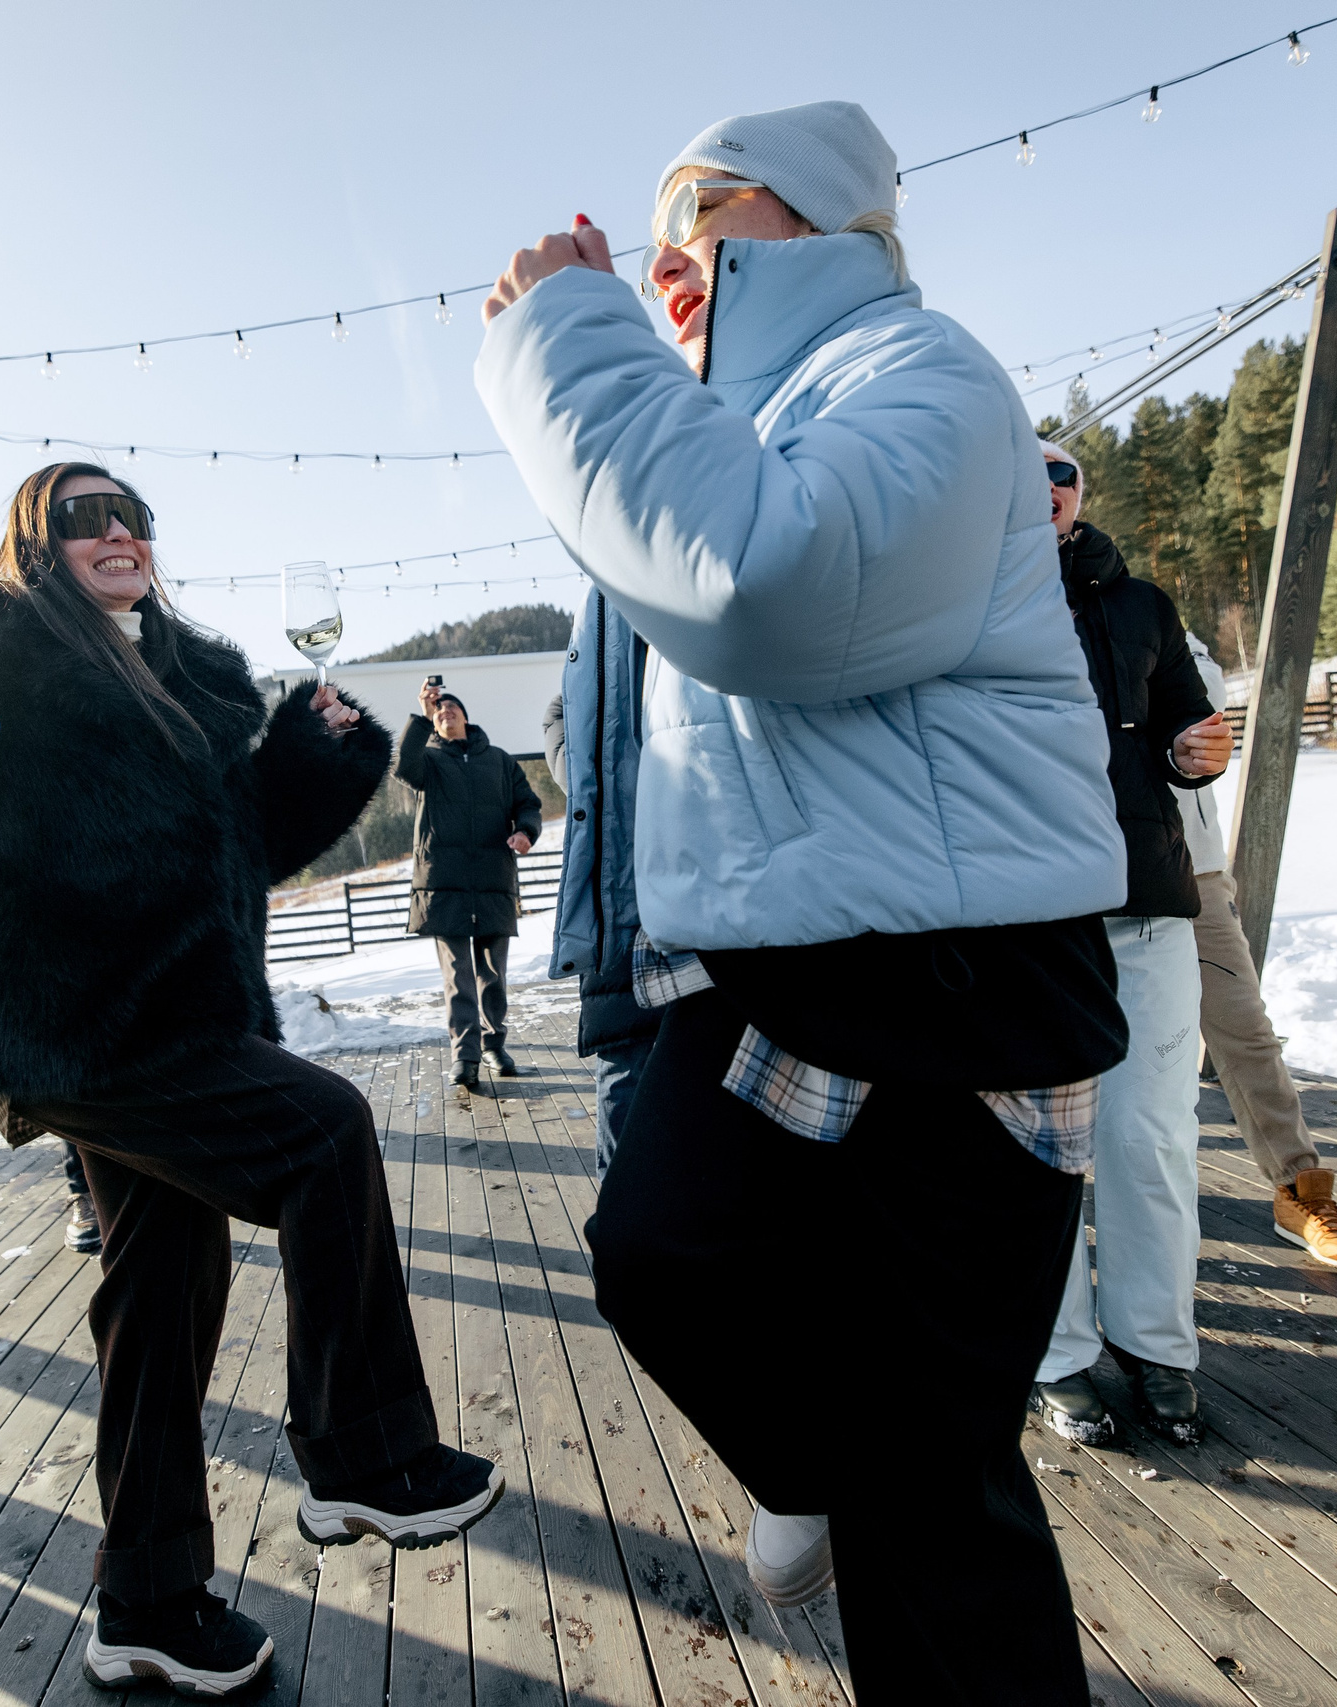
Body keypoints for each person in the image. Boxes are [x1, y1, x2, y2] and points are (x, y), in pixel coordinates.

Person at [478, 102, 1130, 1703]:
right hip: (782, 972)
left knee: (942, 1495)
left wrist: (570, 334)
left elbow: (766, 591)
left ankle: (885, 1489)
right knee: (660, 1254)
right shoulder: (753, 427)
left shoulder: (921, 372)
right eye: (646, 240)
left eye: (699, 210)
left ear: (821, 215)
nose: (663, 258)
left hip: (955, 974)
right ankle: (837, 1461)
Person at [0, 466, 504, 1699]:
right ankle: (363, 1459)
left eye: (132, 517)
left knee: (160, 1297)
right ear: (30, 543)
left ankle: (148, 1604)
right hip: (71, 1027)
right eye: (80, 517)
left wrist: (316, 759)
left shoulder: (192, 673)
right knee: (323, 1131)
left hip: (183, 1018)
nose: (116, 532)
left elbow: (242, 855)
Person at [1029, 442, 1232, 1452]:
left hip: (1144, 896)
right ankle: (1056, 1356)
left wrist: (1199, 751)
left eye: (1060, 470)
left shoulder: (1143, 604)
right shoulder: (963, 599)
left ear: (1081, 490)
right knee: (1042, 1147)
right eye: (1021, 472)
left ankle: (1158, 1347)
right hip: (1019, 914)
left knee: (1150, 1137)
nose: (1046, 485)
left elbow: (1185, 727)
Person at [1171, 629, 1337, 1277]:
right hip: (1074, 872)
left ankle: (1299, 1188)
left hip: (1187, 865)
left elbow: (1202, 692)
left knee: (1245, 1029)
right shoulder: (1008, 607)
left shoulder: (1138, 604)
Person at [541, 590, 658, 1175]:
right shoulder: (600, 615)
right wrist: (588, 778)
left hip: (680, 924)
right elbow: (559, 718)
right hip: (620, 928)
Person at [397, 684, 542, 1092]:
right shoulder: (428, 761)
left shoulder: (499, 761)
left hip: (494, 880)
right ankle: (466, 1055)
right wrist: (421, 716)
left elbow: (527, 804)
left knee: (493, 975)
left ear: (465, 716)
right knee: (458, 976)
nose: (445, 713)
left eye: (451, 708)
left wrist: (526, 832)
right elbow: (403, 765)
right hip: (445, 884)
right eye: (438, 711)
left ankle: (495, 1045)